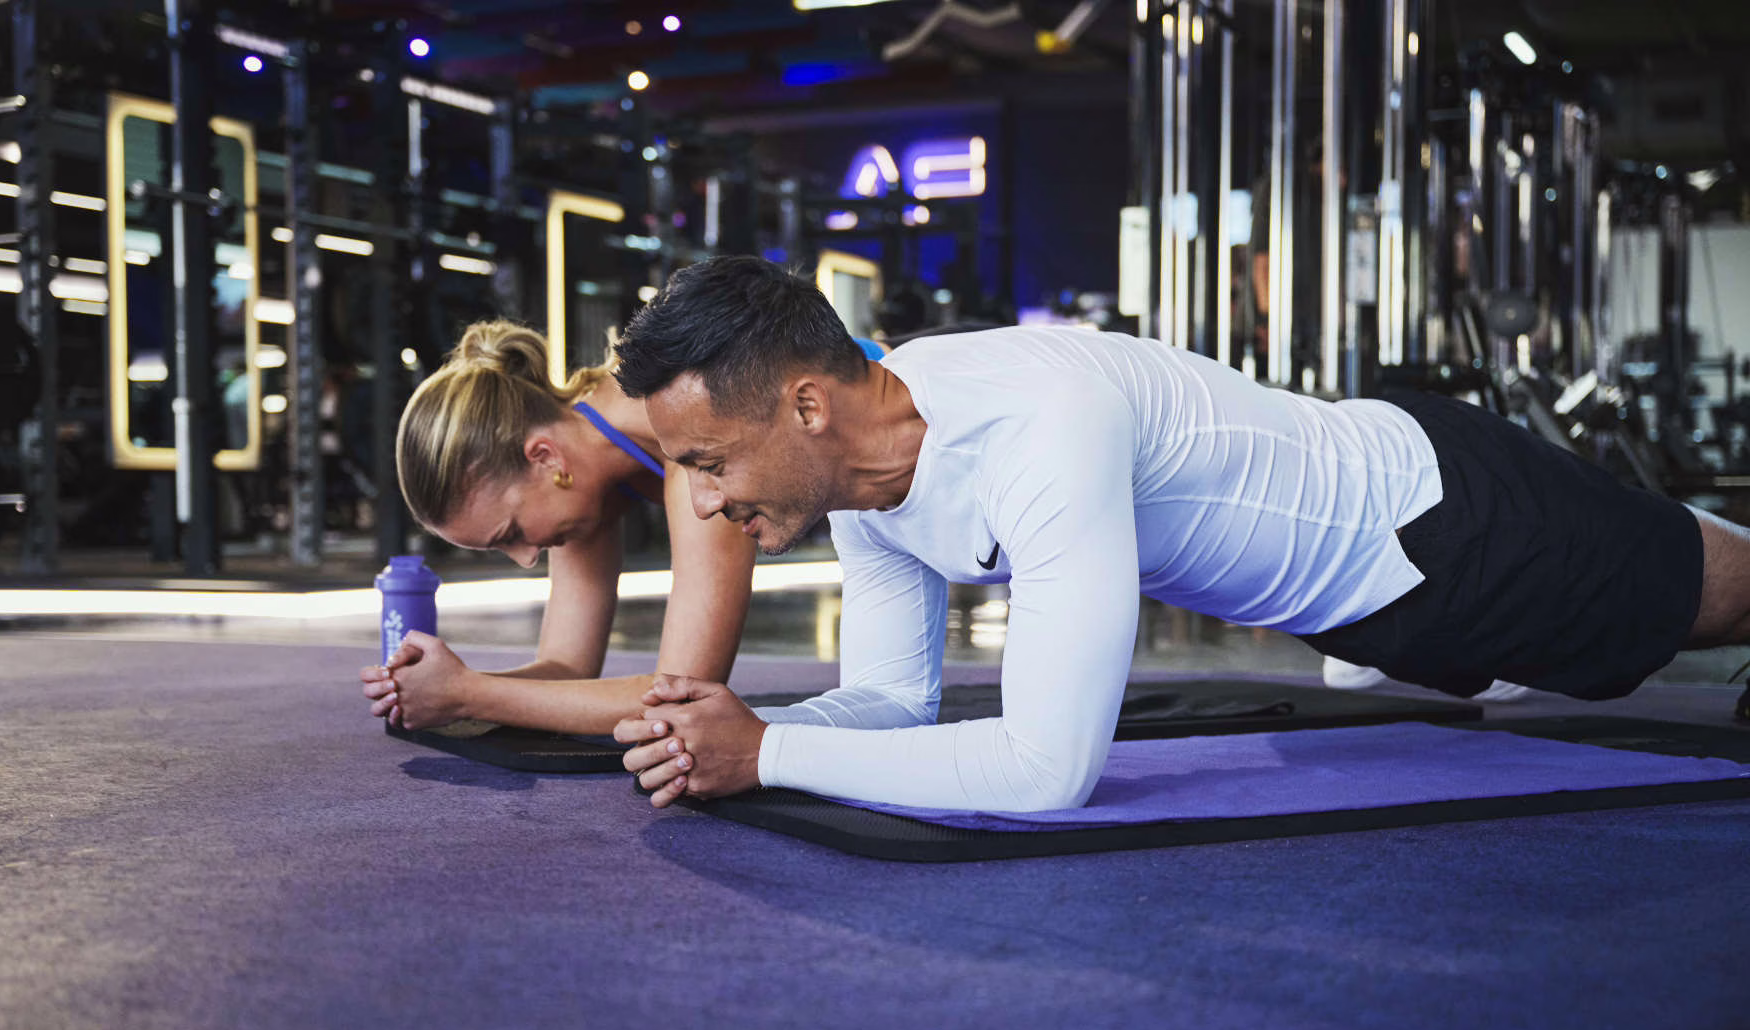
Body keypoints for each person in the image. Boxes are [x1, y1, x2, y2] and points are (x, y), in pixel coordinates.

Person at [610, 254, 1750, 812]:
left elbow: (1046, 771)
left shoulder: (1038, 428)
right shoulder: (860, 478)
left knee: (1715, 596)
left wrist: (765, 756)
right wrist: (751, 725)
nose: (703, 503)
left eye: (710, 463)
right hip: (1361, 599)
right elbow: (894, 705)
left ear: (807, 405)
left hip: (1444, 522)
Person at [359, 319, 758, 736]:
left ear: (546, 457)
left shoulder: (686, 433)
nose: (528, 558)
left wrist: (467, 694)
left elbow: (682, 697)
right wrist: (439, 689)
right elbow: (568, 666)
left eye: (511, 533)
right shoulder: (577, 475)